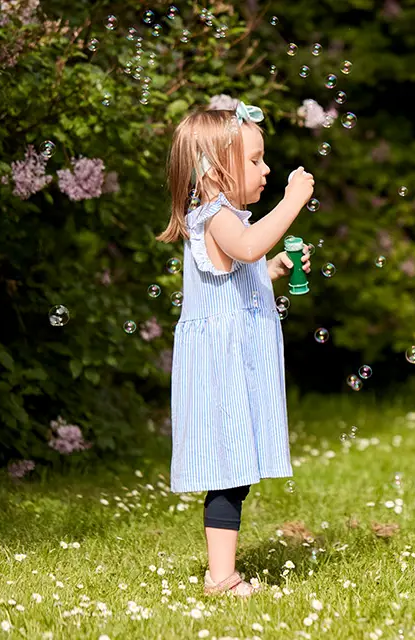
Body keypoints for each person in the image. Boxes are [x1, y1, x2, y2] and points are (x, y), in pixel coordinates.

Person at [156, 102, 315, 596]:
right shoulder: (215, 215)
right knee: (227, 471)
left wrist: (274, 272)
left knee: (236, 472)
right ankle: (221, 578)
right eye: (254, 160)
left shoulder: (229, 219)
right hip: (222, 365)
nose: (266, 169)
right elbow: (246, 247)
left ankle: (221, 573)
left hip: (237, 357)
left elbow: (242, 270)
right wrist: (292, 202)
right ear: (214, 169)